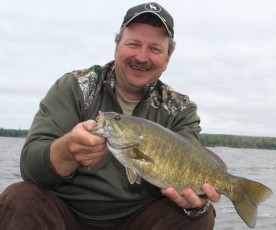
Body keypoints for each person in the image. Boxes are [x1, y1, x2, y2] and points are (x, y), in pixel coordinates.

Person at [0, 3, 221, 229]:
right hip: (65, 217)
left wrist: (197, 201)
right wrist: (67, 150)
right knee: (20, 197)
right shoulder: (75, 87)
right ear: (117, 47)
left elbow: (194, 165)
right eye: (133, 44)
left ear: (166, 60)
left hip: (140, 220)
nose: (142, 57)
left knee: (198, 215)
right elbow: (30, 166)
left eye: (155, 49)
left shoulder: (180, 109)